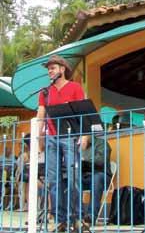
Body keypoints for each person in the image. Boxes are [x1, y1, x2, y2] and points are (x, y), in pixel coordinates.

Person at [37, 54, 87, 232]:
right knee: (53, 180)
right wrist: (39, 138)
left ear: (62, 69)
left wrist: (85, 135)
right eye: (49, 68)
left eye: (53, 67)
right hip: (51, 138)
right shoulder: (45, 92)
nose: (50, 71)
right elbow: (41, 115)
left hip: (71, 136)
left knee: (74, 178)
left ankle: (78, 217)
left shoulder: (75, 87)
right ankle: (60, 220)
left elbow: (83, 113)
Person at [80, 136, 112, 226]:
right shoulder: (79, 146)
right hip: (85, 177)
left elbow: (101, 161)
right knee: (72, 179)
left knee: (96, 178)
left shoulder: (101, 143)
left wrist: (84, 160)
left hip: (101, 175)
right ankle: (78, 216)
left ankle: (90, 217)